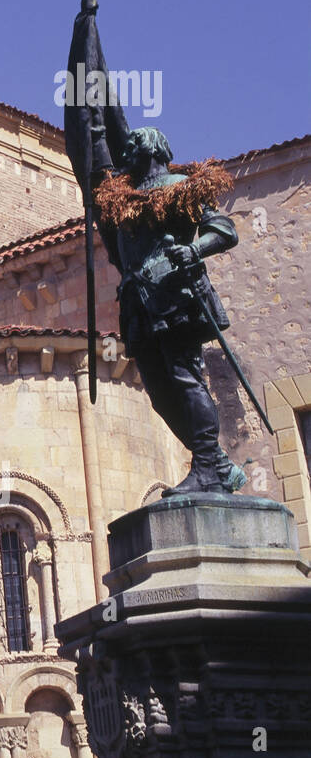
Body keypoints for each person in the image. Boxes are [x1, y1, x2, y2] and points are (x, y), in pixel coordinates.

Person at [90, 125, 246, 495]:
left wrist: (193, 250)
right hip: (139, 304)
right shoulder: (124, 201)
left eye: (131, 148)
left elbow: (224, 230)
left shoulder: (180, 185)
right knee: (160, 392)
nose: (124, 155)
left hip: (176, 297)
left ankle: (207, 466)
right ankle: (217, 464)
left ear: (148, 150)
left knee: (184, 376)